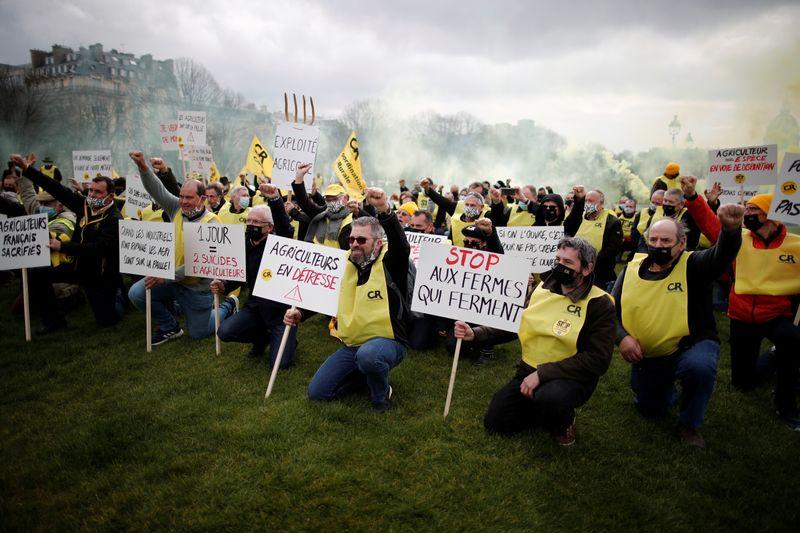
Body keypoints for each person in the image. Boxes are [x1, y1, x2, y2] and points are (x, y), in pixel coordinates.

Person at [455, 237, 615, 445]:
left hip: (570, 377)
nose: (559, 266)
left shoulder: (600, 303)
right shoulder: (541, 289)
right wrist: (476, 334)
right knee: (496, 423)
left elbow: (598, 359)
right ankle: (540, 408)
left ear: (587, 268)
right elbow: (517, 322)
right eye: (557, 259)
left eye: (568, 262)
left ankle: (563, 422)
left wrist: (542, 374)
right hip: (528, 370)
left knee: (551, 398)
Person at [613, 206, 744, 448]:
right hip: (652, 354)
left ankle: (689, 424)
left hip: (692, 342)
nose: (658, 245)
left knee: (699, 368)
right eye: (653, 240)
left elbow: (721, 256)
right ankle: (666, 392)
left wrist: (731, 231)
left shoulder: (695, 264)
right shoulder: (631, 268)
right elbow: (610, 312)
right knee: (650, 408)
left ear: (681, 243)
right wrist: (622, 338)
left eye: (666, 240)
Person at [682, 180, 800, 430]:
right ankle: (773, 356)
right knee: (742, 382)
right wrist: (692, 197)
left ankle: (786, 405)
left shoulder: (796, 245)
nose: (748, 214)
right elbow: (710, 223)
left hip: (777, 315)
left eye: (754, 210)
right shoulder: (739, 239)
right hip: (742, 315)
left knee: (791, 341)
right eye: (747, 209)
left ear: (771, 215)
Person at [284, 188, 410, 412]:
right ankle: (366, 375)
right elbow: (325, 296)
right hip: (352, 344)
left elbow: (402, 245)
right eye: (351, 239)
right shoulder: (343, 262)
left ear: (377, 243)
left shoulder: (391, 261)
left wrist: (384, 209)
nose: (354, 244)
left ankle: (381, 396)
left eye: (361, 239)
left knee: (369, 356)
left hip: (388, 342)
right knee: (318, 393)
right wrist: (300, 313)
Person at [127, 151, 236, 345]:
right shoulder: (176, 208)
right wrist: (143, 167)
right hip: (172, 279)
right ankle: (170, 327)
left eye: (189, 197)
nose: (183, 201)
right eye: (181, 196)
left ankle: (228, 306)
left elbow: (198, 265)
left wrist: (165, 276)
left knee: (199, 333)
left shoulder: (212, 223)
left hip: (196, 288)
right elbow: (157, 190)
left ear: (202, 198)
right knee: (137, 293)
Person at [11, 153, 123, 331]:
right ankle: (54, 322)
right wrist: (27, 169)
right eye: (91, 190)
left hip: (99, 274)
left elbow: (98, 249)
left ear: (110, 196)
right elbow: (56, 188)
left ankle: (118, 297)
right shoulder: (84, 205)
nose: (92, 195)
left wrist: (62, 246)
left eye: (98, 192)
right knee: (37, 272)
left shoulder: (114, 218)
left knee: (107, 321)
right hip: (77, 266)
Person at [214, 191, 296, 365]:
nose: (251, 225)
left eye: (257, 222)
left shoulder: (280, 244)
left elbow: (285, 228)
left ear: (270, 227)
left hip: (279, 312)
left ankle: (287, 337)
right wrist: (224, 285)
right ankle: (262, 338)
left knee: (281, 364)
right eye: (249, 221)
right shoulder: (243, 243)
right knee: (225, 332)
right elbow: (240, 273)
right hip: (255, 306)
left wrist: (275, 199)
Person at [564, 186, 622, 288]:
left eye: (591, 201)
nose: (587, 204)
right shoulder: (579, 216)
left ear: (601, 204)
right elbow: (568, 227)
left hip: (600, 271)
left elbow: (613, 248)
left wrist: (590, 263)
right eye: (586, 201)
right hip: (575, 268)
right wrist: (579, 200)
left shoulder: (612, 221)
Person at [291, 164, 356, 249]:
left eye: (335, 199)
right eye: (328, 200)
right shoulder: (321, 215)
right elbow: (304, 203)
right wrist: (299, 177)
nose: (332, 203)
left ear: (346, 198)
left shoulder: (354, 219)